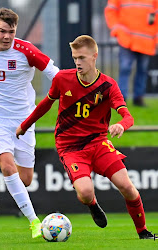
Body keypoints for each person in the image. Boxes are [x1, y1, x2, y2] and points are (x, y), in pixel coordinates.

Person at [16, 35, 157, 240]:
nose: (77, 62)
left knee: (127, 186)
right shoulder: (62, 79)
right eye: (75, 58)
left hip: (98, 143)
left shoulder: (108, 85)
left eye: (82, 57)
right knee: (85, 192)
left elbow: (128, 116)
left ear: (94, 56)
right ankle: (92, 204)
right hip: (70, 146)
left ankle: (143, 232)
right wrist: (24, 125)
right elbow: (46, 103)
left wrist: (120, 125)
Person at [0, 7, 59, 238]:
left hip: (23, 120)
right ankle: (35, 222)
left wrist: (75, 91)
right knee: (7, 165)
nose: (7, 37)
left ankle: (13, 183)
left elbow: (54, 74)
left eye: (12, 32)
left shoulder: (26, 51)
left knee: (25, 179)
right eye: (3, 31)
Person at [105, 0, 158, 107]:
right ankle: (121, 98)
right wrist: (117, 29)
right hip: (126, 38)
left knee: (142, 70)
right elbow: (111, 11)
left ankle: (138, 98)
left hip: (145, 39)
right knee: (125, 68)